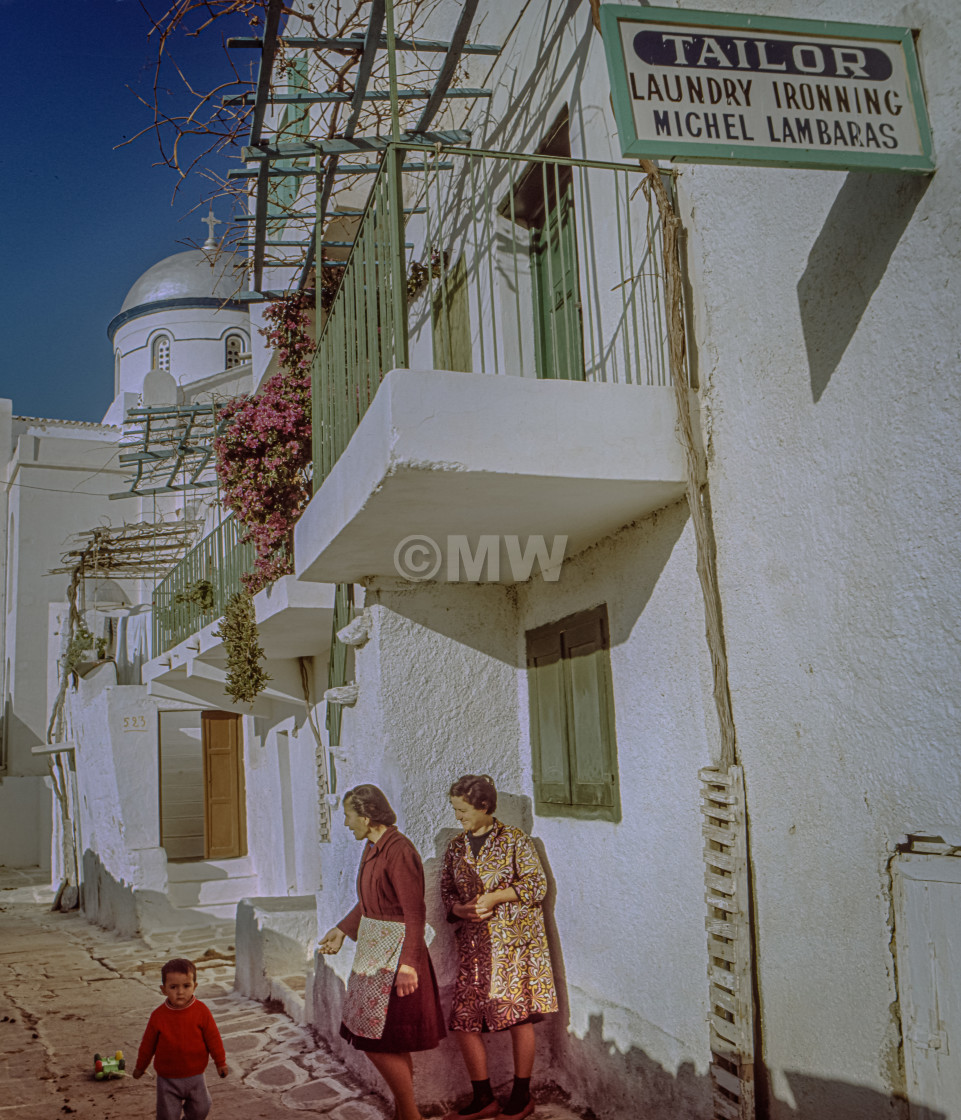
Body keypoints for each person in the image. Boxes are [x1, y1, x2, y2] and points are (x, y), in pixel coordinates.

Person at [319, 784, 445, 1120]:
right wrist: (343, 929)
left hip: (397, 957)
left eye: (349, 815)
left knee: (380, 1040)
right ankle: (407, 1112)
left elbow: (415, 912)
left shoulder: (399, 850)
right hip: (374, 952)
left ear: (367, 815)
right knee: (379, 1039)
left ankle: (409, 1113)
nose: (346, 823)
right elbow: (369, 901)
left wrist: (409, 966)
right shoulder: (372, 846)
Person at [441, 775, 558, 1120]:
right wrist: (458, 909)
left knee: (518, 1018)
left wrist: (495, 895)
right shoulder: (455, 847)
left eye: (462, 809)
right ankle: (484, 1098)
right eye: (454, 809)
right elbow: (446, 891)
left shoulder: (515, 841)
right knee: (464, 1022)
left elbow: (537, 885)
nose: (457, 816)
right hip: (475, 949)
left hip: (512, 947)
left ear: (484, 806)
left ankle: (521, 1096)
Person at [133, 956, 228, 1120]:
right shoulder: (158, 1016)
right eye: (173, 987)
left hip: (196, 1075)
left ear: (194, 986)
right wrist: (141, 1067)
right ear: (163, 990)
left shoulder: (201, 1011)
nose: (180, 992)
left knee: (202, 1108)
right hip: (168, 1079)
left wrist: (220, 1062)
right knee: (168, 1115)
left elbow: (213, 1038)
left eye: (186, 986)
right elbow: (147, 1044)